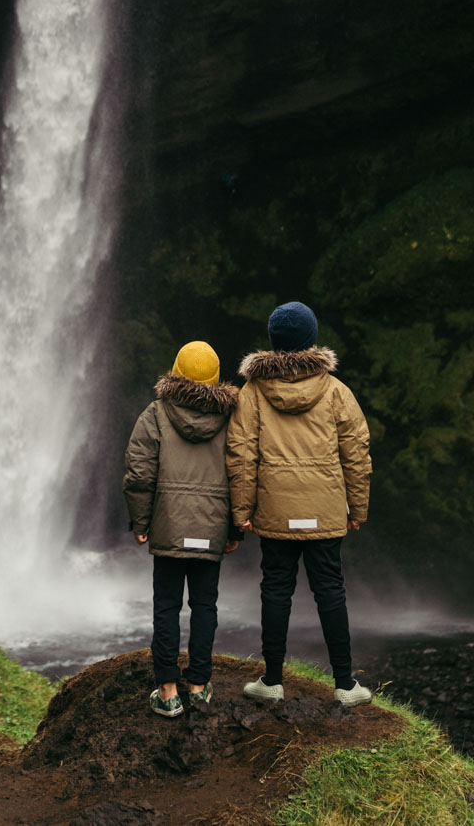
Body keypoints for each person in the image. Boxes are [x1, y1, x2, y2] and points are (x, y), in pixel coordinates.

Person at [227, 301, 373, 706]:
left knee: (276, 589)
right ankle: (345, 685)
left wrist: (241, 512)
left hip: (275, 510)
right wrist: (357, 510)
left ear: (274, 343)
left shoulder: (252, 393)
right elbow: (357, 455)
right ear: (311, 340)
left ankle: (272, 681)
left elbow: (241, 455)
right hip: (325, 510)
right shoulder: (337, 392)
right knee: (331, 591)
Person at [123, 340, 240, 717]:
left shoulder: (156, 413)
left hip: (169, 527)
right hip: (212, 526)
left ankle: (169, 691)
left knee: (167, 606)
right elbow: (243, 474)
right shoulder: (234, 418)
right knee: (205, 605)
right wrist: (235, 529)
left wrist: (141, 522)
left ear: (175, 370)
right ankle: (200, 686)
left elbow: (139, 473)